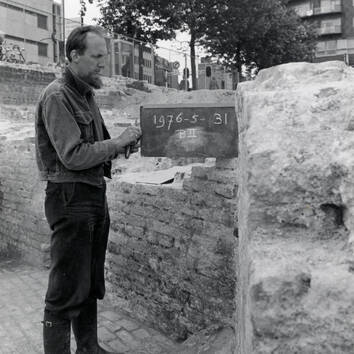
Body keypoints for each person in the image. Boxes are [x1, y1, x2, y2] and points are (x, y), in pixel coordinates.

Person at [35, 25, 141, 354]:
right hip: (71, 199)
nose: (102, 64)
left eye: (104, 57)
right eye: (96, 57)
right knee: (66, 288)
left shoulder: (86, 93)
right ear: (74, 56)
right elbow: (74, 155)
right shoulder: (57, 95)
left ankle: (89, 348)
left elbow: (99, 146)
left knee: (89, 281)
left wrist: (128, 144)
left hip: (93, 195)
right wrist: (117, 142)